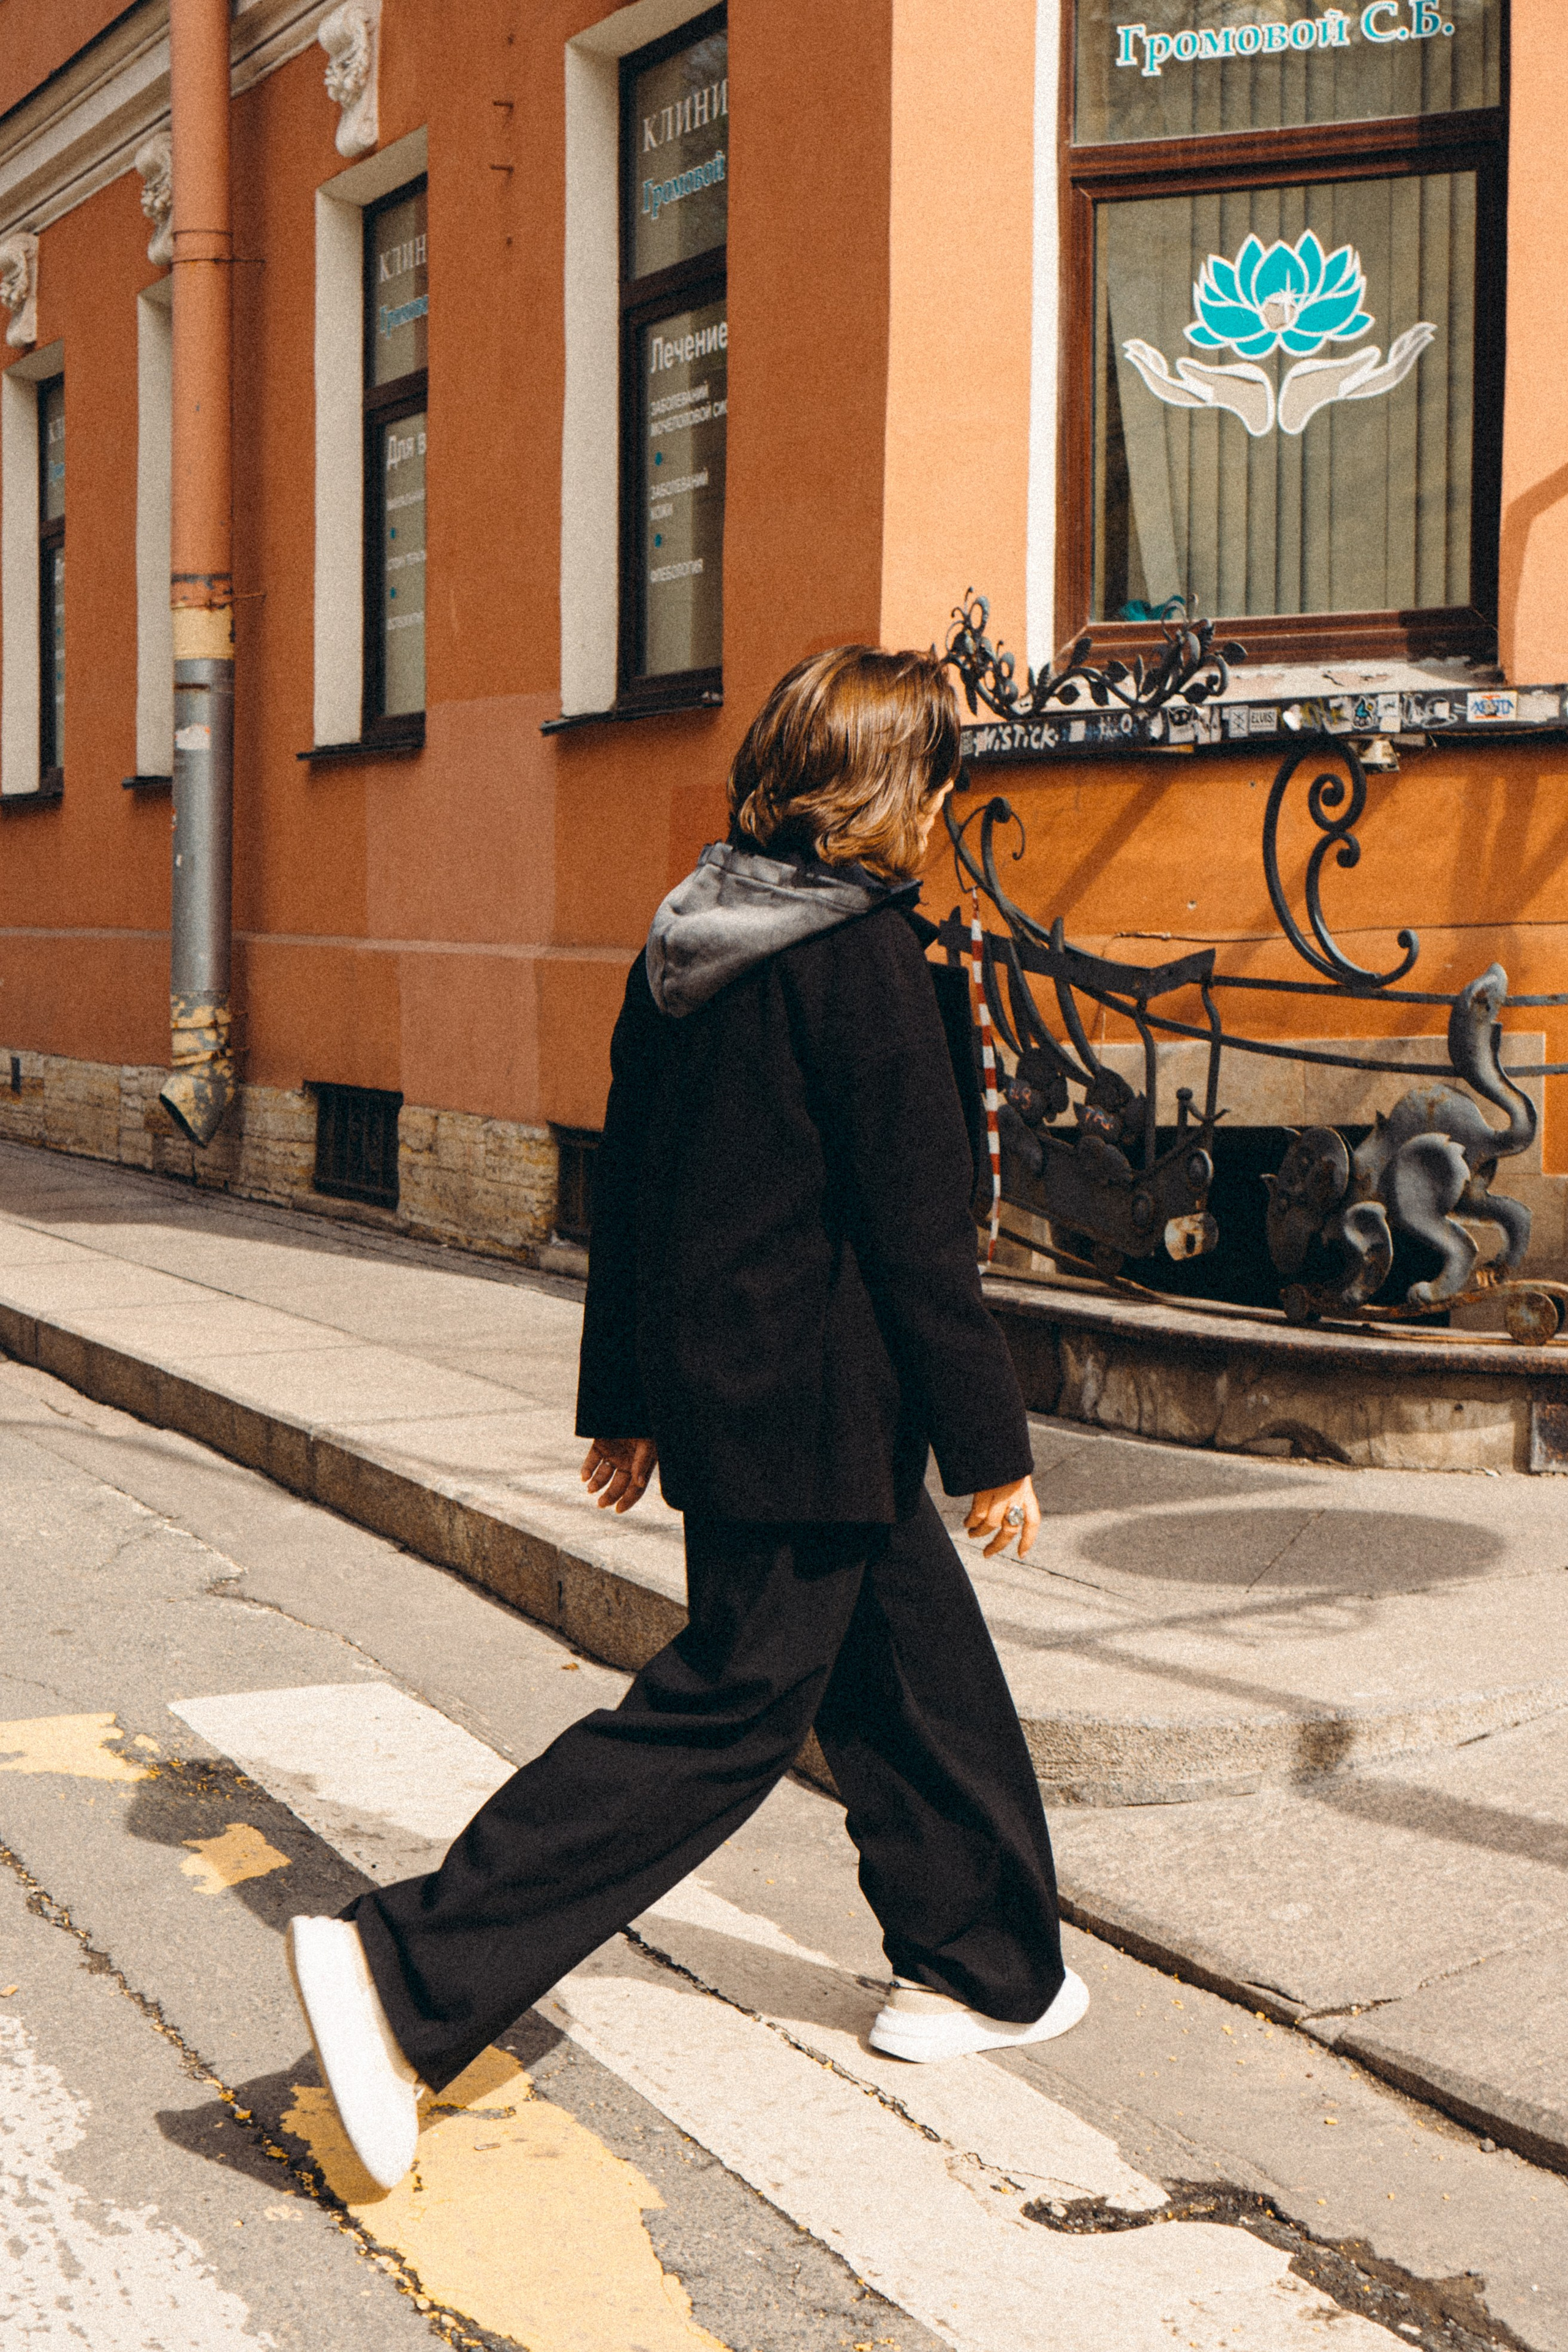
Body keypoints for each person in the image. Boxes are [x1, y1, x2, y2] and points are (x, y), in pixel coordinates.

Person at [285, 644, 1087, 2190]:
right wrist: (992, 1447)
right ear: (885, 793)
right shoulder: (866, 963)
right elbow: (922, 1242)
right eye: (933, 782)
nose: (938, 814)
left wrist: (627, 1402)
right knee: (728, 1713)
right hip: (827, 1409)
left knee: (913, 1675)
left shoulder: (689, 938)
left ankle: (986, 1963)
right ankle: (408, 1968)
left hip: (735, 1405)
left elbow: (631, 1194)